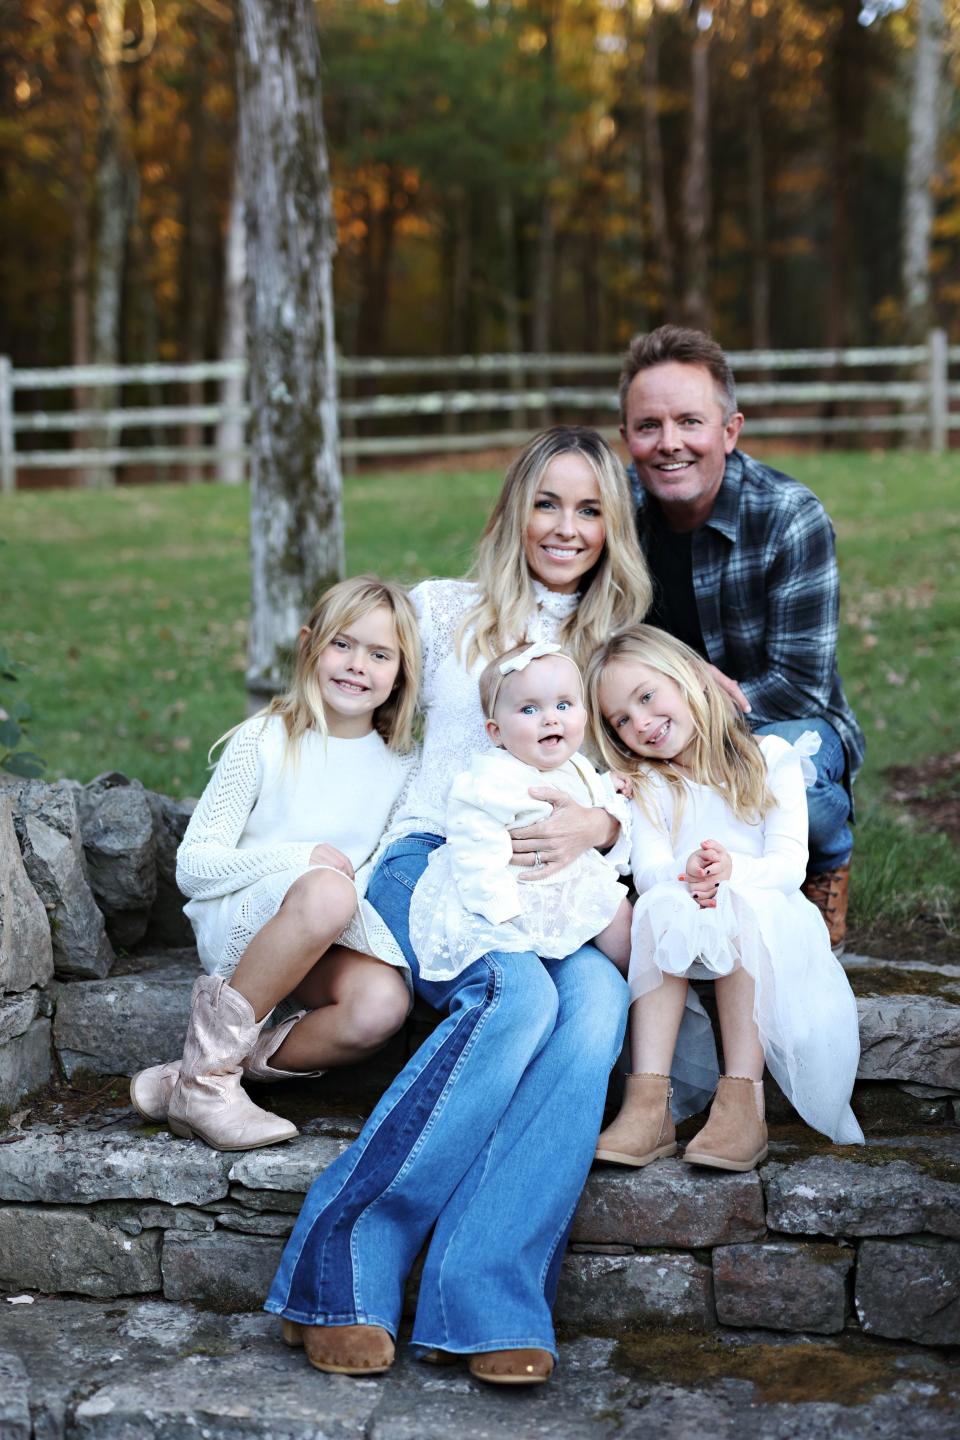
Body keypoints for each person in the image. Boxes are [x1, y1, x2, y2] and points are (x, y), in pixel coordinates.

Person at [264, 426, 652, 1386]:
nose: (566, 527)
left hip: (558, 883)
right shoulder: (444, 613)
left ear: (614, 528)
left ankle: (483, 1297)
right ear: (513, 508)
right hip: (435, 858)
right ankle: (339, 1273)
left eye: (591, 509)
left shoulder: (618, 645)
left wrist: (601, 835)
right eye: (548, 503)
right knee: (516, 996)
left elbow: (653, 785)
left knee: (596, 1002)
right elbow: (339, 695)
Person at [129, 575, 421, 1152]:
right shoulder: (265, 739)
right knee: (330, 890)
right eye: (343, 644)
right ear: (310, 644)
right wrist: (300, 858)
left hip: (328, 933)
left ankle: (194, 1075)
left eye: (380, 653)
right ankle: (210, 1084)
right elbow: (194, 866)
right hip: (245, 926)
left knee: (383, 1005)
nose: (357, 664)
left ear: (401, 673)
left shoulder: (400, 768)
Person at [618, 325, 865, 952]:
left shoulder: (788, 516)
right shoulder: (610, 511)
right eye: (648, 426)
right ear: (626, 438)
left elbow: (798, 685)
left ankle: (827, 856)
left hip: (776, 722)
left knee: (795, 776)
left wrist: (695, 706)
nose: (669, 444)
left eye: (690, 422)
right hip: (647, 724)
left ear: (730, 430)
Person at [586, 625, 864, 1175]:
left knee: (740, 906)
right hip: (686, 911)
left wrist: (735, 874)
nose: (640, 722)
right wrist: (683, 874)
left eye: (646, 697)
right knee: (657, 907)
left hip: (765, 912)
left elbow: (790, 866)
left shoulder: (770, 759)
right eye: (621, 719)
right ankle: (649, 1106)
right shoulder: (649, 783)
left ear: (688, 677)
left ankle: (742, 1104)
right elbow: (649, 869)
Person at [408, 641, 633, 982]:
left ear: (583, 717)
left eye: (563, 704)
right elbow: (473, 848)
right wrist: (498, 909)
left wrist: (607, 787)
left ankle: (641, 982)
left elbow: (585, 796)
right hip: (516, 894)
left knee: (622, 917)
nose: (550, 718)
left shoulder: (578, 765)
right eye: (530, 710)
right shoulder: (489, 780)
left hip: (570, 882)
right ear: (496, 733)